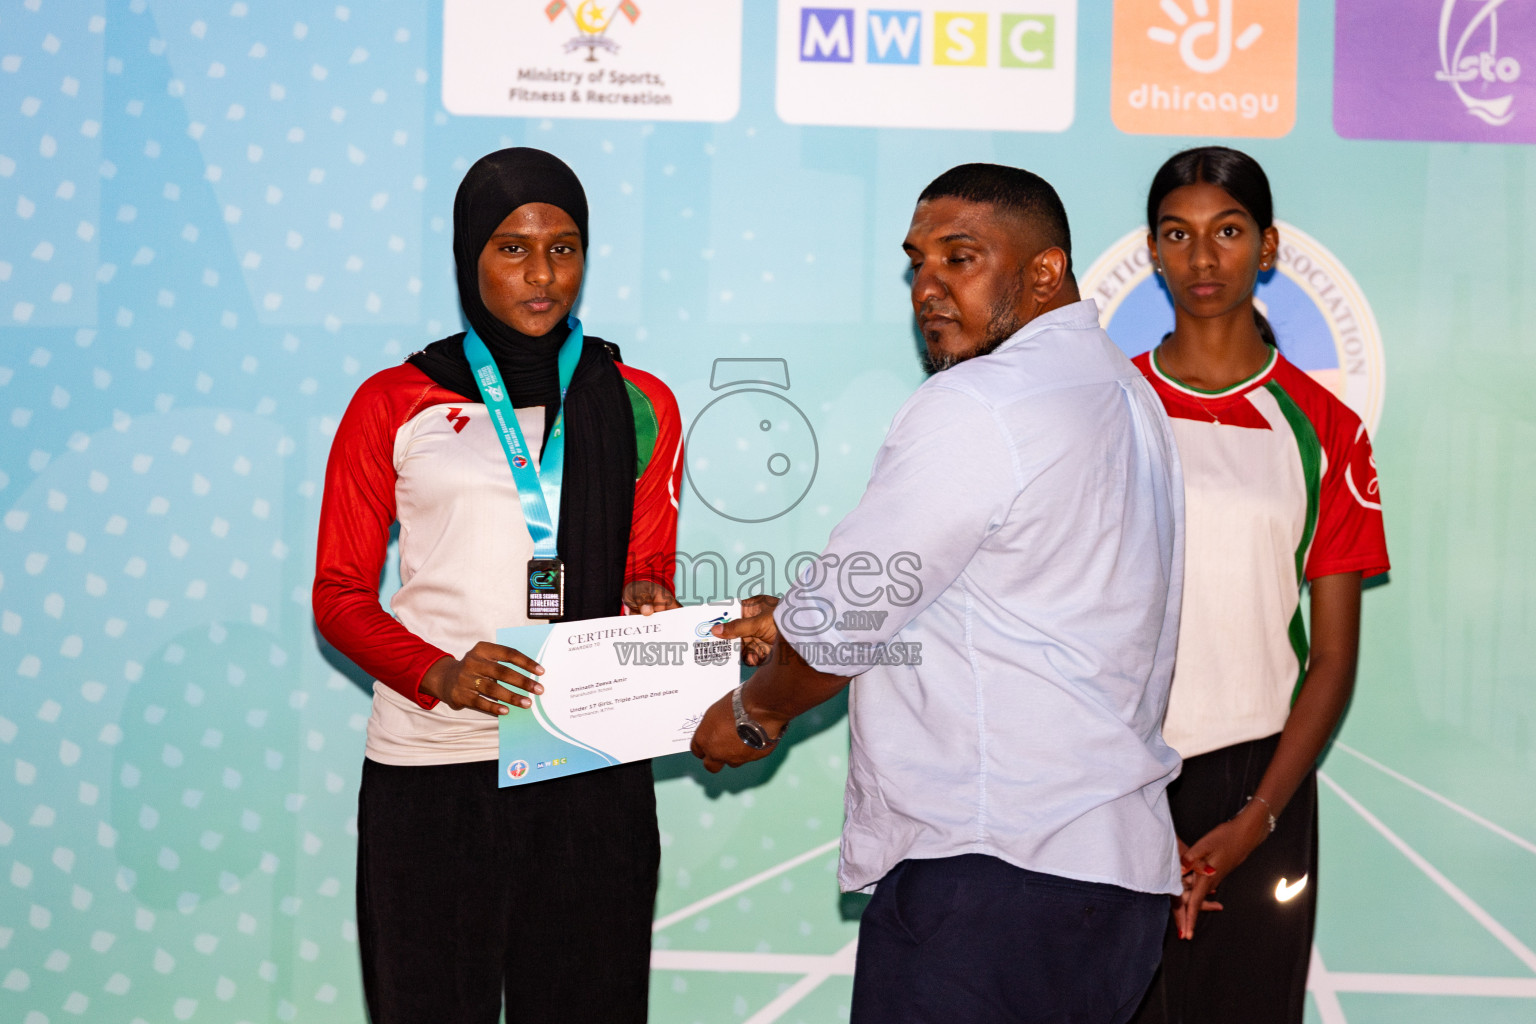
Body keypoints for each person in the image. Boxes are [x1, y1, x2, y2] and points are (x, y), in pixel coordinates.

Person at [690, 163, 1186, 1023]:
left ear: (1043, 270)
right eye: (918, 262)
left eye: (961, 259)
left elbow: (840, 629)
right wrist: (799, 612)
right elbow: (999, 591)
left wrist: (756, 712)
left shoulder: (980, 401)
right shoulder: (1127, 395)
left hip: (993, 872)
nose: (928, 287)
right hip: (1116, 884)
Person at [312, 148, 683, 1024]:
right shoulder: (394, 400)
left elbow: (648, 564)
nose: (544, 272)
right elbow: (338, 594)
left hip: (588, 762)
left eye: (564, 246)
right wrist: (438, 672)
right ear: (469, 254)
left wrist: (647, 597)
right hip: (433, 767)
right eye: (513, 248)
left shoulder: (641, 400)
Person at [1126, 147, 1390, 1024]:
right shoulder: (1101, 408)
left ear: (1267, 247)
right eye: (1179, 235)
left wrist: (1257, 817)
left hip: (1261, 784)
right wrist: (1119, 796)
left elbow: (1334, 655)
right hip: (1110, 777)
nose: (1203, 259)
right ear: (1153, 251)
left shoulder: (1326, 427)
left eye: (1228, 232)